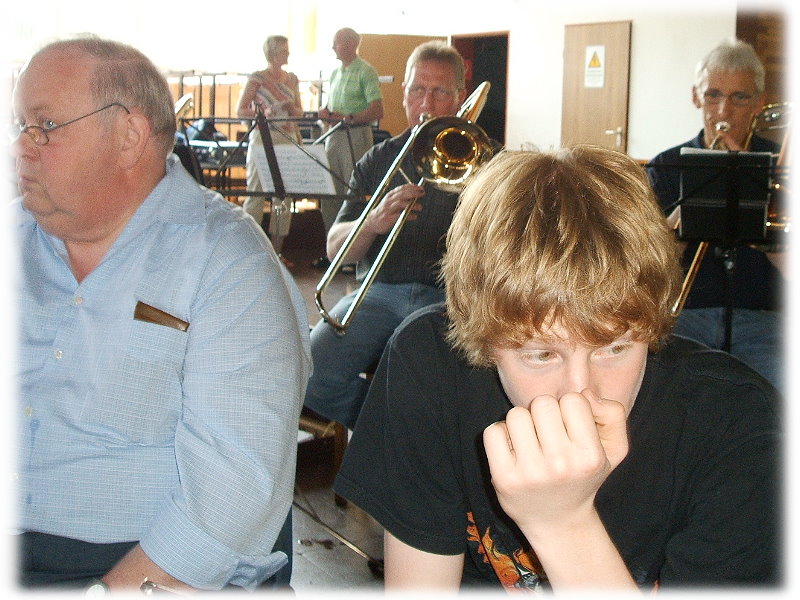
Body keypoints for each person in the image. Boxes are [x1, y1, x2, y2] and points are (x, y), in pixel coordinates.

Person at [333, 147, 779, 590]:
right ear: (483, 342)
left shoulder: (740, 426)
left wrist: (562, 523)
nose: (581, 393)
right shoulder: (429, 363)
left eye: (615, 348)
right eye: (541, 355)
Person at [12, 36, 311, 592]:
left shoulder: (229, 263)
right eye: (20, 126)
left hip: (131, 567)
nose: (20, 148)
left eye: (45, 126)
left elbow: (231, 495)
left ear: (128, 136)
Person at [304, 41, 493, 430]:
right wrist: (373, 222)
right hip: (378, 293)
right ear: (404, 92)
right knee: (310, 373)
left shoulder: (489, 161)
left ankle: (398, 437)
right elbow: (336, 248)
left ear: (461, 98)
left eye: (440, 92)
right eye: (417, 89)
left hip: (451, 300)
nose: (426, 103)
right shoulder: (378, 159)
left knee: (458, 388)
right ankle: (388, 435)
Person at [646, 38, 785, 392]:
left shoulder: (782, 167)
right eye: (713, 95)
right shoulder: (666, 166)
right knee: (663, 393)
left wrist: (759, 195)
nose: (724, 111)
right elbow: (650, 267)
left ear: (759, 103)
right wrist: (697, 200)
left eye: (740, 97)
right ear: (696, 97)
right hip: (686, 316)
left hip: (764, 319)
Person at [313, 27, 384, 269]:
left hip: (355, 136)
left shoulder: (366, 71)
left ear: (351, 44)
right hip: (333, 136)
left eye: (337, 43)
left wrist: (348, 118)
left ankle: (354, 255)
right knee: (330, 193)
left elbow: (377, 110)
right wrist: (326, 113)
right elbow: (332, 106)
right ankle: (333, 253)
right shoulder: (334, 73)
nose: (333, 47)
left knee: (352, 193)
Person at [237, 34, 304, 265]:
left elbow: (299, 112)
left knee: (282, 196)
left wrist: (291, 108)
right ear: (273, 52)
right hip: (262, 137)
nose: (288, 53)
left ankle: (277, 251)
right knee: (255, 191)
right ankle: (250, 250)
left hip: (286, 137)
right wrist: (264, 111)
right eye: (284, 50)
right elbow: (241, 110)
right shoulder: (257, 78)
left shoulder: (292, 79)